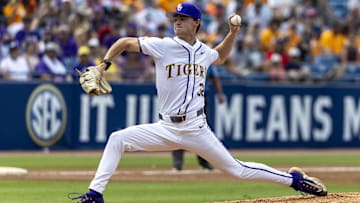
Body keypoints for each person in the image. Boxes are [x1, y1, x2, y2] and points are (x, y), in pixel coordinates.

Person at [69, 3, 327, 203]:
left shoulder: (204, 52)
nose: (177, 22)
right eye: (175, 18)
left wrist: (233, 33)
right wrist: (104, 64)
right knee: (117, 139)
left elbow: (221, 57)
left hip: (195, 128)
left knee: (238, 170)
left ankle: (295, 181)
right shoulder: (163, 46)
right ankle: (94, 194)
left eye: (183, 19)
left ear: (196, 23)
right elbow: (125, 42)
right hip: (165, 128)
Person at [172, 65, 225, 172]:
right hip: (182, 98)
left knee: (200, 130)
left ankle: (204, 163)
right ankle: (177, 164)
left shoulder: (204, 55)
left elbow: (215, 77)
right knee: (178, 129)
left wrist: (220, 93)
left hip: (200, 99)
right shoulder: (182, 58)